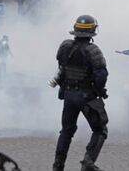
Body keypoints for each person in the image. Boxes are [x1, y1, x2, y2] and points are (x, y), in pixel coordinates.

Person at [50, 15, 108, 171]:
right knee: (100, 130)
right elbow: (101, 76)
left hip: (68, 96)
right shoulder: (93, 50)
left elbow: (61, 68)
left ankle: (58, 166)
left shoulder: (65, 46)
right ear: (92, 31)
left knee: (66, 131)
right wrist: (99, 90)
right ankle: (88, 164)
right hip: (86, 97)